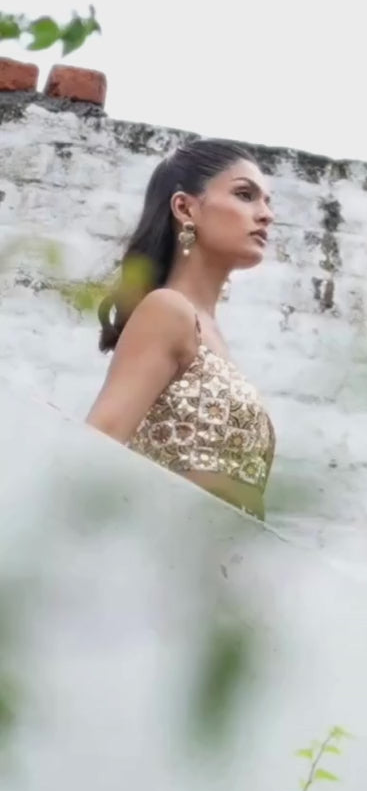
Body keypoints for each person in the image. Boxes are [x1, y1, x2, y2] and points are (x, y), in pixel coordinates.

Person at [86, 139, 276, 519]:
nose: (266, 215)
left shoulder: (212, 336)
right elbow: (95, 447)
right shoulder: (168, 312)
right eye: (245, 195)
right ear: (185, 208)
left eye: (268, 202)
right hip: (166, 545)